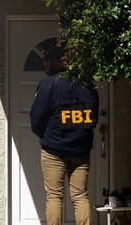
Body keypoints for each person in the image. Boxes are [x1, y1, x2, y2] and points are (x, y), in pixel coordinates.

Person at [30, 46, 99, 225]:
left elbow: (36, 120)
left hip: (54, 150)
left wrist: (47, 136)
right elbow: (94, 117)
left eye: (46, 62)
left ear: (56, 62)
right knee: (80, 196)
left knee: (54, 197)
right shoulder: (87, 84)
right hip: (81, 151)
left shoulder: (47, 85)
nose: (45, 66)